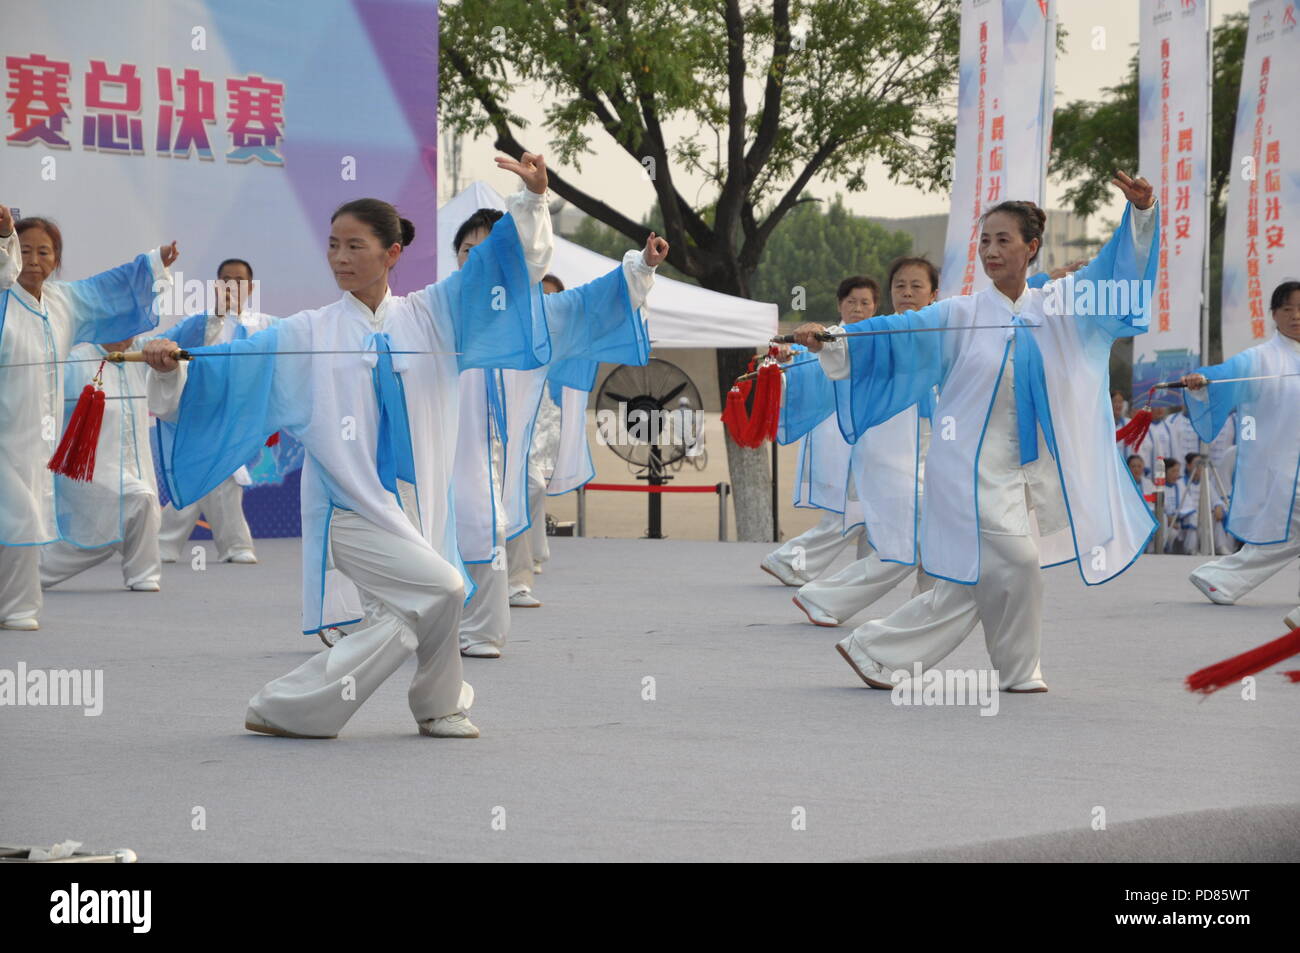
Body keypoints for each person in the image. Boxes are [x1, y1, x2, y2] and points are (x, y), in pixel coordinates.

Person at [145, 153, 557, 739]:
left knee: (413, 611)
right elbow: (228, 371)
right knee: (444, 588)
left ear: (392, 254)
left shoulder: (435, 315)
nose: (340, 257)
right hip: (351, 510)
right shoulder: (308, 333)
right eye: (333, 244)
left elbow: (500, 272)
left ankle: (399, 706)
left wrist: (533, 203)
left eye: (355, 246)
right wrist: (171, 369)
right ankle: (349, 704)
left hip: (417, 506)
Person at [796, 172, 1159, 693]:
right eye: (985, 240)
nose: (990, 250)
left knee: (976, 576)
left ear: (1031, 247)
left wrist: (1142, 215)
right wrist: (833, 338)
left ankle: (876, 650)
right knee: (1018, 559)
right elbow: (892, 334)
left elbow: (1115, 270)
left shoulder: (1060, 307)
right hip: (967, 465)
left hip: (1029, 468)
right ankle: (1018, 670)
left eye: (1003, 240)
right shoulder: (960, 315)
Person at [455, 217, 663, 658]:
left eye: (490, 253)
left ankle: (485, 621)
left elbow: (589, 305)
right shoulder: (432, 308)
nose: (478, 262)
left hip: (501, 445)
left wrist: (640, 267)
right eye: (468, 253)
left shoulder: (537, 315)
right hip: (438, 444)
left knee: (496, 514)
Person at [0, 205, 176, 631]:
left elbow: (107, 289)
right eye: (25, 251)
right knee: (18, 514)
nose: (36, 261)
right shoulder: (3, 296)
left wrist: (150, 264)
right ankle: (17, 608)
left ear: (57, 261)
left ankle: (18, 606)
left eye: (45, 252)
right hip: (4, 429)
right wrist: (4, 237)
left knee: (23, 516)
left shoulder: (64, 303)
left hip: (38, 436)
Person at [791, 258, 940, 627]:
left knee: (935, 540)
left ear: (934, 294)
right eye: (900, 285)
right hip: (891, 455)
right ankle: (826, 597)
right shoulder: (877, 333)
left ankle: (922, 612)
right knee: (916, 540)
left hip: (937, 453)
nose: (907, 292)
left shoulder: (946, 329)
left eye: (916, 285)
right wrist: (820, 340)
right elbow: (842, 349)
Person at [1183, 281, 1300, 615]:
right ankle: (1221, 578)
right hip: (1284, 468)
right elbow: (1223, 376)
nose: (1295, 316)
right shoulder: (1261, 359)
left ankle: (1220, 578)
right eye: (1287, 309)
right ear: (1274, 315)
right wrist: (1201, 381)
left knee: (1289, 536)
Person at [154, 259, 275, 564]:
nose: (232, 286)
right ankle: (234, 546)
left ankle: (162, 544)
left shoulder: (263, 324)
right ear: (217, 285)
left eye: (239, 280)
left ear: (249, 287)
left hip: (237, 415)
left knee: (212, 475)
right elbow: (167, 348)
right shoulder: (199, 322)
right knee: (220, 475)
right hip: (198, 413)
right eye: (226, 280)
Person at [760, 277, 877, 587]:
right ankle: (792, 560)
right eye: (852, 302)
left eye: (866, 303)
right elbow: (797, 382)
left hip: (873, 441)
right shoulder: (823, 341)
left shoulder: (878, 341)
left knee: (869, 515)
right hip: (837, 440)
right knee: (855, 511)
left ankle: (864, 577)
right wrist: (781, 364)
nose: (859, 309)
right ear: (840, 305)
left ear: (876, 307)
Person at [38, 333, 163, 593]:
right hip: (84, 471)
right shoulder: (75, 363)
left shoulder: (141, 356)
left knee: (96, 534)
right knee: (139, 500)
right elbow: (43, 406)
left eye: (133, 330)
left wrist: (169, 363)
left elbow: (172, 381)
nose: (128, 338)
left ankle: (26, 576)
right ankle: (143, 572)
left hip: (134, 470)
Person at [503, 272, 566, 608]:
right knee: (521, 489)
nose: (545, 302)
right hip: (507, 422)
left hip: (544, 416)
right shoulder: (510, 324)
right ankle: (517, 569)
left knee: (533, 486)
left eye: (552, 296)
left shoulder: (558, 333)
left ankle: (530, 558)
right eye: (540, 295)